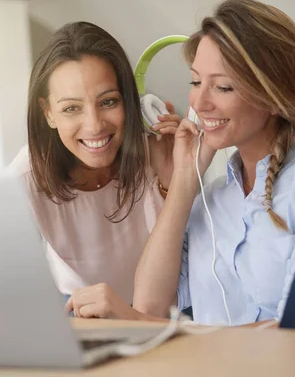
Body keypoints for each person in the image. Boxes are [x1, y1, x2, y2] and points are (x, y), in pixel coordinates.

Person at [65, 0, 295, 336]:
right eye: (196, 82)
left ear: (274, 95)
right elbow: (150, 305)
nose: (200, 103)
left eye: (223, 87)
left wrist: (144, 326)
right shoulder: (211, 198)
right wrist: (186, 177)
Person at [10, 21, 181, 306]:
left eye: (108, 102)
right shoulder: (23, 179)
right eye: (71, 108)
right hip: (86, 320)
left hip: (160, 314)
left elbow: (183, 265)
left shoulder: (155, 152)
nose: (94, 126)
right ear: (48, 113)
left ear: (129, 101)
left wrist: (174, 179)